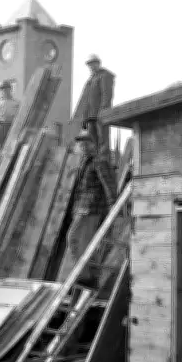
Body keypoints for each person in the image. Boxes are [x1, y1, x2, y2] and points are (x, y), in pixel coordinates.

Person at [58, 128, 117, 287]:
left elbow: (109, 184)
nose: (83, 145)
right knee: (84, 242)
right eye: (81, 142)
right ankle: (90, 276)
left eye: (86, 142)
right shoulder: (84, 162)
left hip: (91, 209)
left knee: (74, 239)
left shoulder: (99, 161)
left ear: (93, 144)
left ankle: (85, 275)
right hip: (82, 209)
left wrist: (113, 205)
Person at [80, 54, 115, 159]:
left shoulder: (105, 76)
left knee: (103, 139)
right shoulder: (90, 81)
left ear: (98, 63)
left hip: (100, 115)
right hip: (91, 116)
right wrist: (84, 118)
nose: (91, 67)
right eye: (89, 65)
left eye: (93, 64)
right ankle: (97, 160)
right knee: (93, 140)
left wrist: (103, 112)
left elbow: (107, 95)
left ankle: (103, 159)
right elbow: (86, 101)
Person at [0, 80, 20, 153]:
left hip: (12, 127)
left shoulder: (16, 103)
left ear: (10, 89)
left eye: (6, 88)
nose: (4, 90)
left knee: (12, 150)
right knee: (0, 151)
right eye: (2, 89)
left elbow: (20, 117)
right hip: (0, 128)